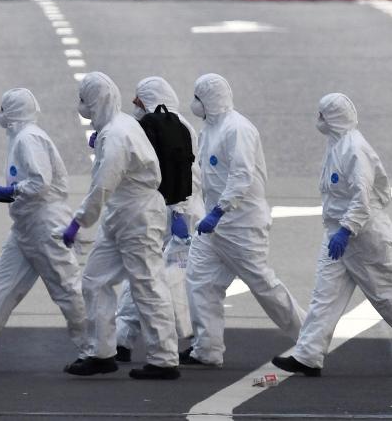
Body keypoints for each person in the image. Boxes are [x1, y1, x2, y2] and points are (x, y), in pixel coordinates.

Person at [272, 93, 392, 378]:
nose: (319, 121)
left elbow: (362, 198)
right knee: (325, 295)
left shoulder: (353, 149)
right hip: (339, 234)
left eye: (323, 115)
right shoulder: (336, 144)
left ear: (334, 118)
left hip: (363, 234)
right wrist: (340, 232)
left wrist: (347, 229)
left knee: (385, 292)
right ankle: (308, 355)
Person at [0, 88, 90, 371]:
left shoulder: (28, 139)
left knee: (67, 289)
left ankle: (97, 350)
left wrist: (6, 192)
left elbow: (39, 183)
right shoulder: (20, 138)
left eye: (2, 107)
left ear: (11, 112)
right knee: (0, 287)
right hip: (25, 226)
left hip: (44, 225)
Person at [62, 72, 181, 381]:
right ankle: (101, 352)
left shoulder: (115, 134)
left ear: (96, 101)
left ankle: (164, 359)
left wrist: (79, 221)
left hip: (137, 215)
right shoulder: (120, 126)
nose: (81, 107)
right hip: (123, 214)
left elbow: (103, 184)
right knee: (95, 280)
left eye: (84, 101)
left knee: (147, 283)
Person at [182, 73, 306, 368]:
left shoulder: (237, 129)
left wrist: (218, 211)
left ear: (210, 99)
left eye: (198, 98)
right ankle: (207, 348)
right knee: (199, 281)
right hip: (214, 229)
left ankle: (311, 337)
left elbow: (242, 175)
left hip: (241, 224)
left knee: (263, 284)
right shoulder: (210, 129)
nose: (194, 104)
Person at [115, 76, 204, 363]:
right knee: (150, 277)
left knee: (152, 279)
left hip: (175, 212)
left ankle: (135, 341)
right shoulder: (160, 125)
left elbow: (186, 175)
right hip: (167, 211)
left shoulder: (170, 127)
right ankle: (124, 339)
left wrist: (179, 212)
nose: (135, 107)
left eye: (138, 102)